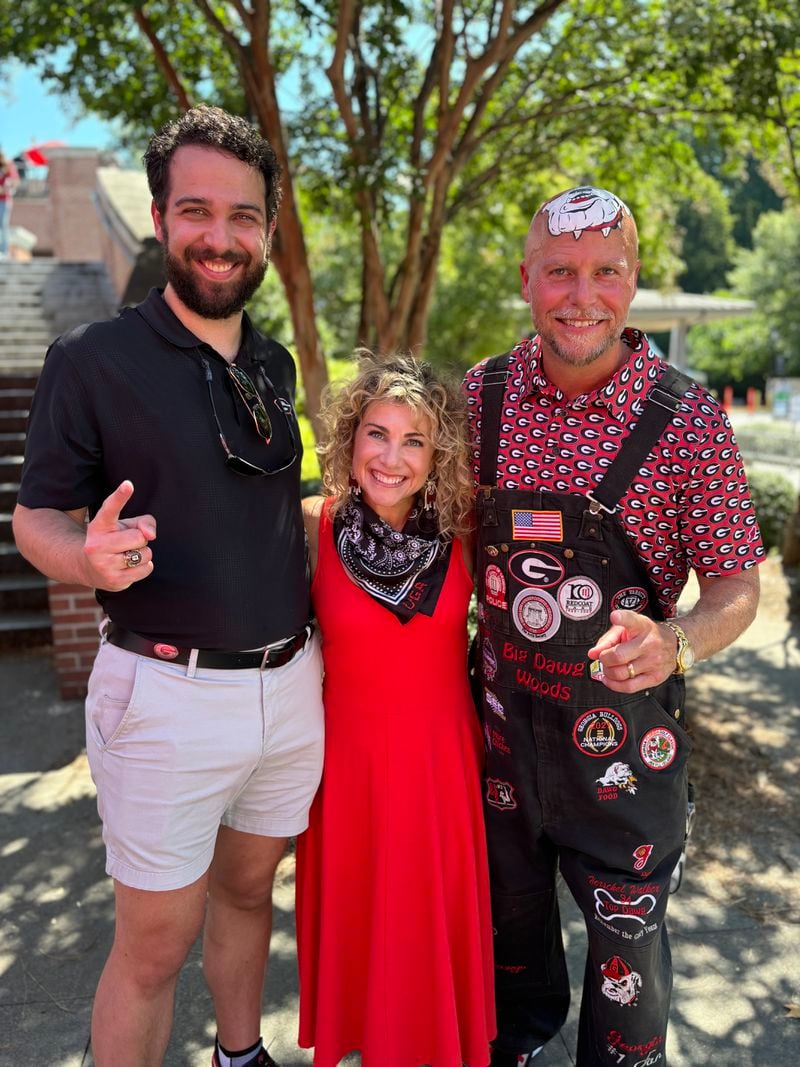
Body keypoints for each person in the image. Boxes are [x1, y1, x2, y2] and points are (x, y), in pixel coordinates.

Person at [12, 106, 324, 1067]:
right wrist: (84, 558)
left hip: (290, 687)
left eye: (244, 216)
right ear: (158, 216)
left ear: (268, 229)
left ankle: (241, 1053)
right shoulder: (92, 362)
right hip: (165, 693)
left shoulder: (272, 363)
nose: (221, 238)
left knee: (246, 895)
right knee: (153, 946)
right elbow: (37, 519)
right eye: (197, 211)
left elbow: (291, 508)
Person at [463, 186, 764, 1067]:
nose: (581, 294)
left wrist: (677, 640)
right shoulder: (478, 398)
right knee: (505, 940)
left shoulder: (688, 419)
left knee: (629, 965)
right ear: (527, 278)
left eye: (605, 271)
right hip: (498, 747)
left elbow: (736, 586)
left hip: (627, 753)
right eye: (559, 271)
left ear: (634, 281)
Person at [295, 351, 496, 1067]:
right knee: (363, 932)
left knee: (427, 931)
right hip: (345, 774)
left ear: (437, 453)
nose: (392, 456)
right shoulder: (312, 527)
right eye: (377, 433)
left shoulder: (465, 531)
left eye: (414, 440)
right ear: (350, 438)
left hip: (441, 771)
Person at [0, 150, 20, 257]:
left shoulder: (8, 166)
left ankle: (4, 251)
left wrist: (7, 187)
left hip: (4, 200)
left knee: (3, 225)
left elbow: (15, 181)